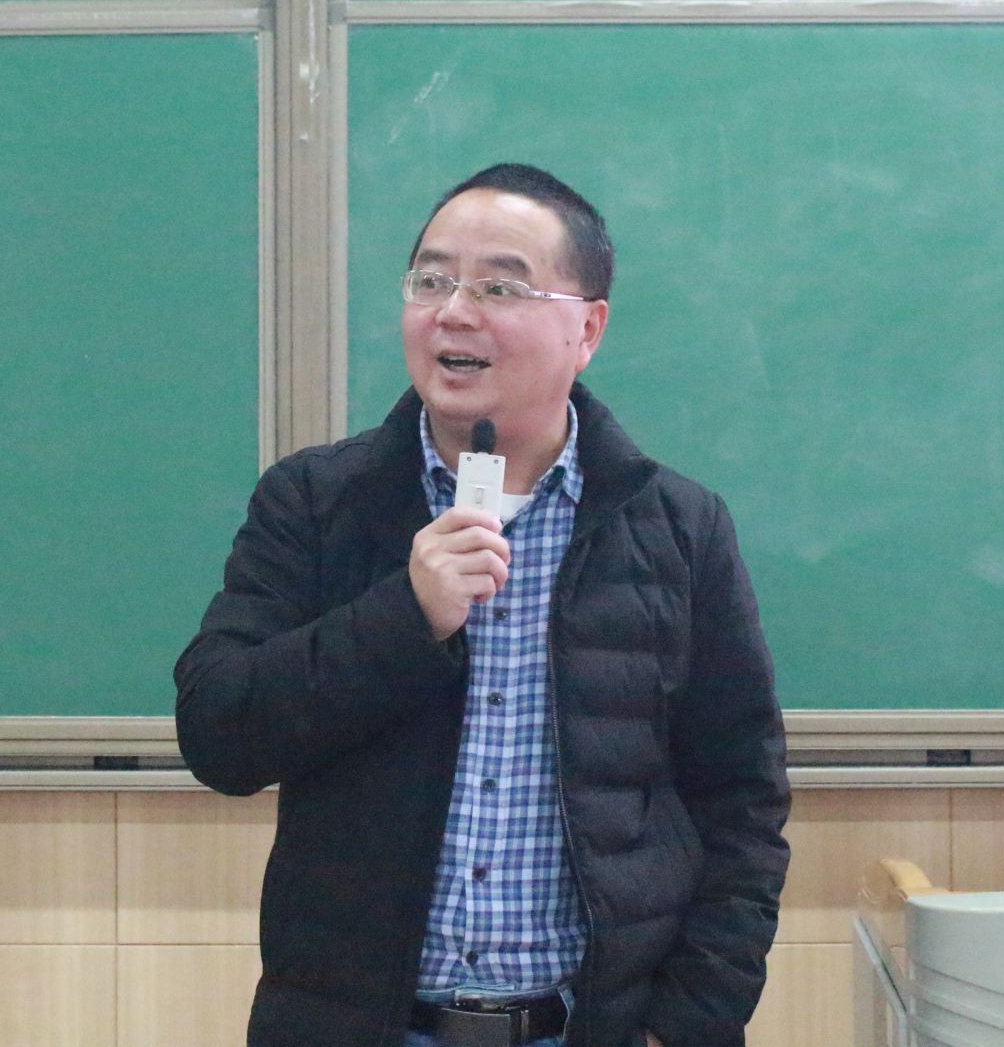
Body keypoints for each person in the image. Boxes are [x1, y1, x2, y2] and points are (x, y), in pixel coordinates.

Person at [175, 164, 790, 1047]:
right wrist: (405, 616)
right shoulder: (316, 501)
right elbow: (219, 733)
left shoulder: (677, 528)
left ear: (587, 328)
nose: (454, 312)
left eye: (500, 286)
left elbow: (742, 801)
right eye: (431, 280)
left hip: (593, 1026)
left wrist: (687, 1022)